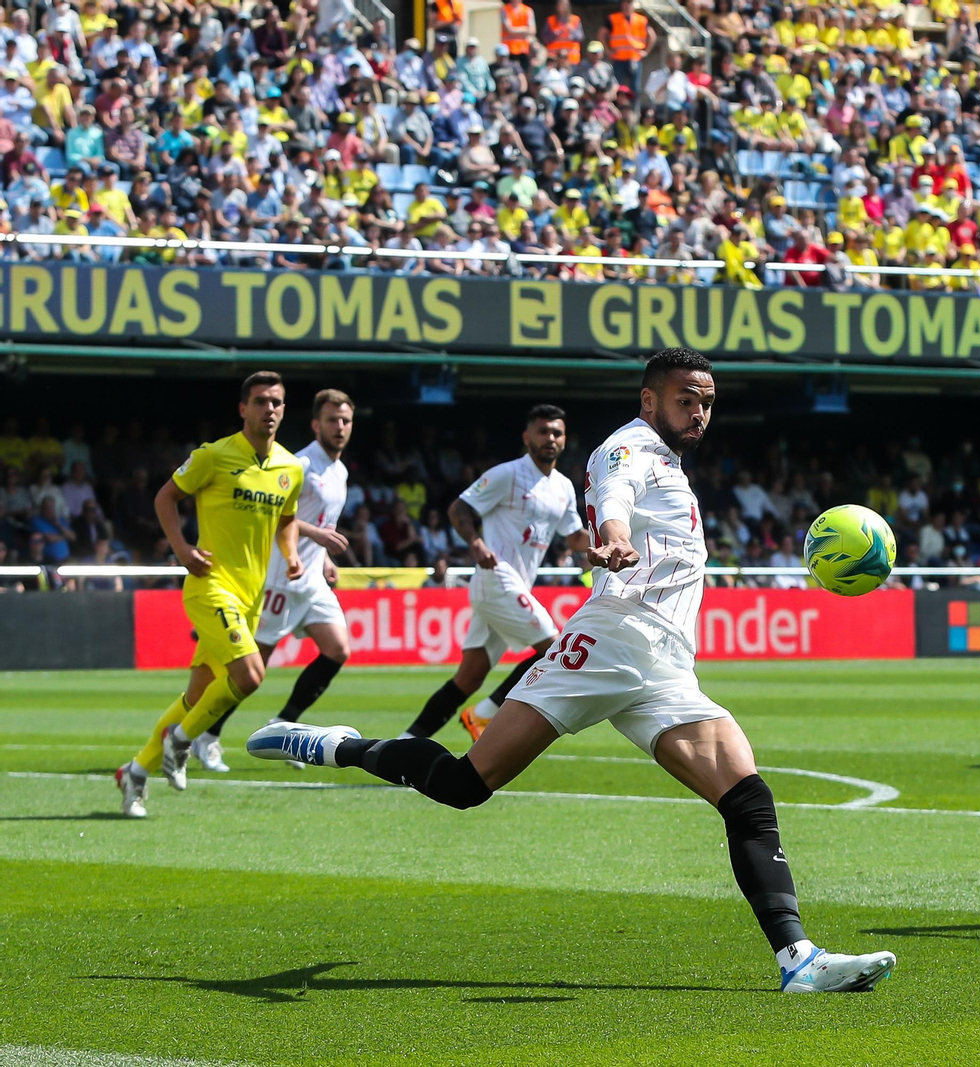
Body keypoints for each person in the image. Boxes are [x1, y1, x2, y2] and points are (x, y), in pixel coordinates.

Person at [248, 348, 896, 994]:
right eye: (686, 400)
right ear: (650, 400)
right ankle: (335, 744)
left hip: (667, 666)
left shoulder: (670, 462)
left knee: (747, 798)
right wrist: (614, 534)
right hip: (610, 641)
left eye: (706, 402)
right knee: (464, 784)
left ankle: (798, 960)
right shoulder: (628, 447)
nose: (699, 412)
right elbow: (614, 493)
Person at [114, 372, 305, 818]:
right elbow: (165, 498)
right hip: (210, 586)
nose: (269, 409)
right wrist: (182, 550)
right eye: (260, 401)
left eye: (276, 402)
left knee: (198, 695)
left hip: (251, 597)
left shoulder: (291, 468)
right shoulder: (214, 456)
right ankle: (182, 741)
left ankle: (135, 773)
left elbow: (287, 519)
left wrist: (291, 553)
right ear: (243, 409)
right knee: (250, 675)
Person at [401, 404, 589, 743]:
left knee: (469, 678)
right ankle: (484, 714)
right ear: (527, 437)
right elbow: (459, 508)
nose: (550, 438)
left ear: (564, 440)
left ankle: (404, 743)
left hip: (515, 587)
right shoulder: (507, 474)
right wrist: (475, 544)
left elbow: (575, 537)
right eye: (543, 431)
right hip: (497, 578)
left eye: (556, 433)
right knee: (555, 650)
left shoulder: (562, 486)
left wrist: (608, 546)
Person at [196, 390, 356, 772]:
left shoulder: (340, 471)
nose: (340, 427)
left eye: (346, 420)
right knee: (252, 670)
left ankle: (284, 725)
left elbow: (320, 521)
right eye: (332, 420)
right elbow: (273, 516)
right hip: (279, 579)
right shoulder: (299, 464)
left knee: (338, 650)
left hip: (312, 581)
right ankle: (206, 735)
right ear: (316, 425)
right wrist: (317, 537)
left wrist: (324, 557)